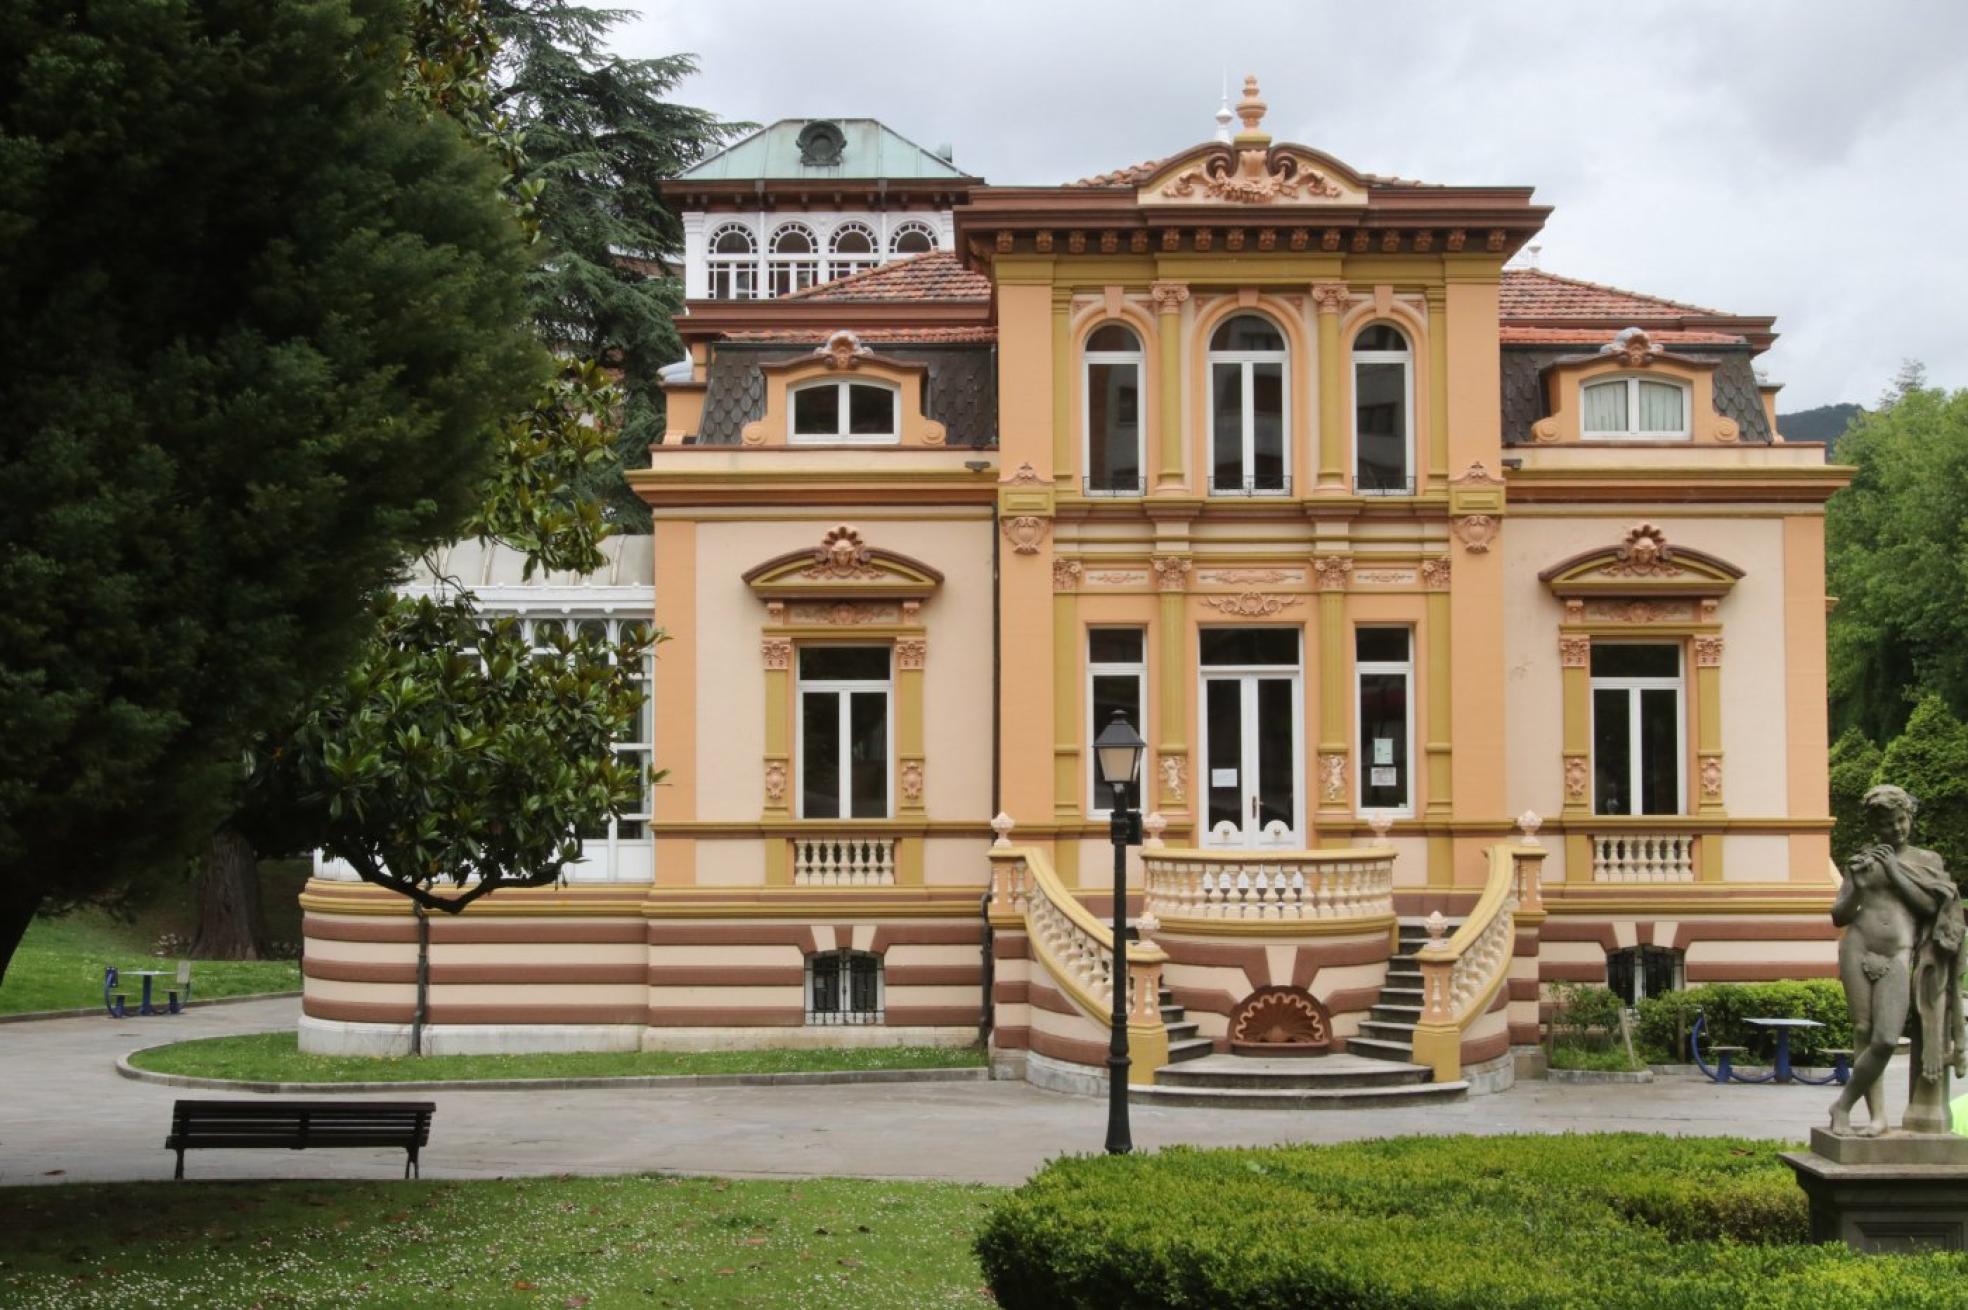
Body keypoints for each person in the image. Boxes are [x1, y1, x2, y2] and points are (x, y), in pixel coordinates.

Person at [1827, 784, 1967, 1136]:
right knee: (1863, 1030)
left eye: (1901, 821)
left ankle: (1841, 1104)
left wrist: (1894, 871)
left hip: (1898, 952)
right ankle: (1877, 1118)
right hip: (1857, 946)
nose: (1897, 829)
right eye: (1888, 825)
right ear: (1876, 826)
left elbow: (1931, 906)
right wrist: (1857, 886)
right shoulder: (1863, 859)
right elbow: (1839, 916)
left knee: (1887, 1038)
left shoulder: (1926, 860)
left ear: (1910, 817)